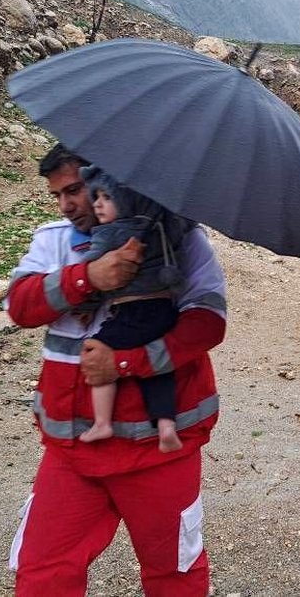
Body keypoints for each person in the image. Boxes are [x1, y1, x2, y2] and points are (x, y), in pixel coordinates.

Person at [4, 144, 227, 596]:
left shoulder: (179, 238)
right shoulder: (52, 240)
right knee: (43, 571)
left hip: (159, 451)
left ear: (109, 181)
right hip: (72, 451)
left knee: (173, 573)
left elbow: (208, 322)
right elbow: (20, 306)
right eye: (57, 195)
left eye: (75, 190)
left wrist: (125, 362)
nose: (66, 205)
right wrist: (87, 277)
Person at [76, 166, 197, 453]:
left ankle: (102, 423)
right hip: (165, 310)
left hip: (133, 312)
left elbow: (92, 273)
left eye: (107, 197)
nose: (97, 204)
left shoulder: (110, 234)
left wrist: (86, 302)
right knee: (159, 368)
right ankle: (166, 426)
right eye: (96, 197)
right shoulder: (162, 224)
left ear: (127, 198)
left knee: (96, 350)